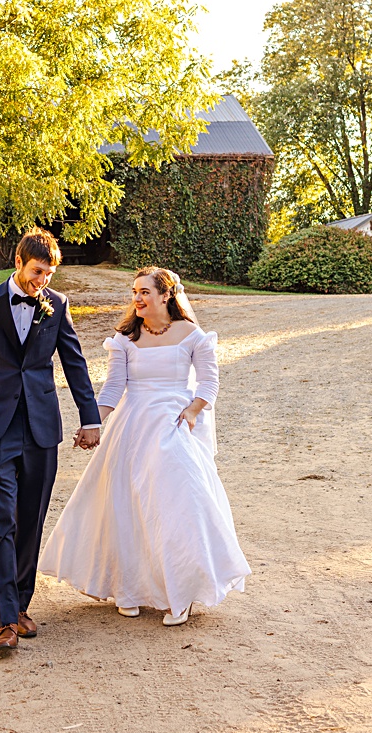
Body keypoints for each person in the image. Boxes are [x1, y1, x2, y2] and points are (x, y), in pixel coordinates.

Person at [39, 266, 250, 626]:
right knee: (123, 505)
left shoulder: (192, 335)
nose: (137, 298)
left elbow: (209, 383)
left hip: (173, 422)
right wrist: (93, 423)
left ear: (166, 295)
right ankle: (128, 588)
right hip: (132, 424)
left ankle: (179, 594)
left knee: (178, 504)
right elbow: (113, 388)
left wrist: (193, 410)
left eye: (144, 292)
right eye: (134, 292)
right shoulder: (125, 338)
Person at [0, 228, 101, 651]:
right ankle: (4, 621)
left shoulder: (58, 305)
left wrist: (90, 419)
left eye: (49, 274)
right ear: (19, 262)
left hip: (40, 429)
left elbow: (75, 363)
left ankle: (20, 605)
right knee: (3, 522)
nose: (43, 281)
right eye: (37, 271)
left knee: (30, 520)